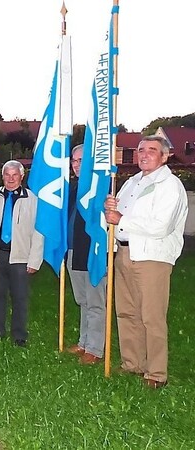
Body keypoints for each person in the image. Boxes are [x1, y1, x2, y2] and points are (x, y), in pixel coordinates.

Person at [104, 135, 187, 389]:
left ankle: (156, 373)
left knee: (151, 316)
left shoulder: (170, 186)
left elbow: (161, 226)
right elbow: (116, 215)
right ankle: (133, 363)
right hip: (125, 252)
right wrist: (110, 209)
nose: (144, 154)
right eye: (140, 150)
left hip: (152, 256)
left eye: (152, 150)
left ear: (164, 156)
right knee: (127, 312)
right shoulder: (131, 183)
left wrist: (121, 220)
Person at [0, 160, 43, 347]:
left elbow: (38, 233)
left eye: (15, 175)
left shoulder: (32, 200)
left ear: (22, 177)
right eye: (7, 175)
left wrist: (34, 260)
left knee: (20, 297)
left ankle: (19, 335)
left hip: (20, 257)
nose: (11, 179)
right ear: (2, 176)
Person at [66, 145, 107, 364]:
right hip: (74, 251)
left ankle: (95, 349)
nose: (77, 165)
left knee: (96, 302)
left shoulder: (99, 189)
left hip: (93, 252)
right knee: (82, 300)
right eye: (74, 160)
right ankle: (84, 342)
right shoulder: (73, 190)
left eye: (82, 160)